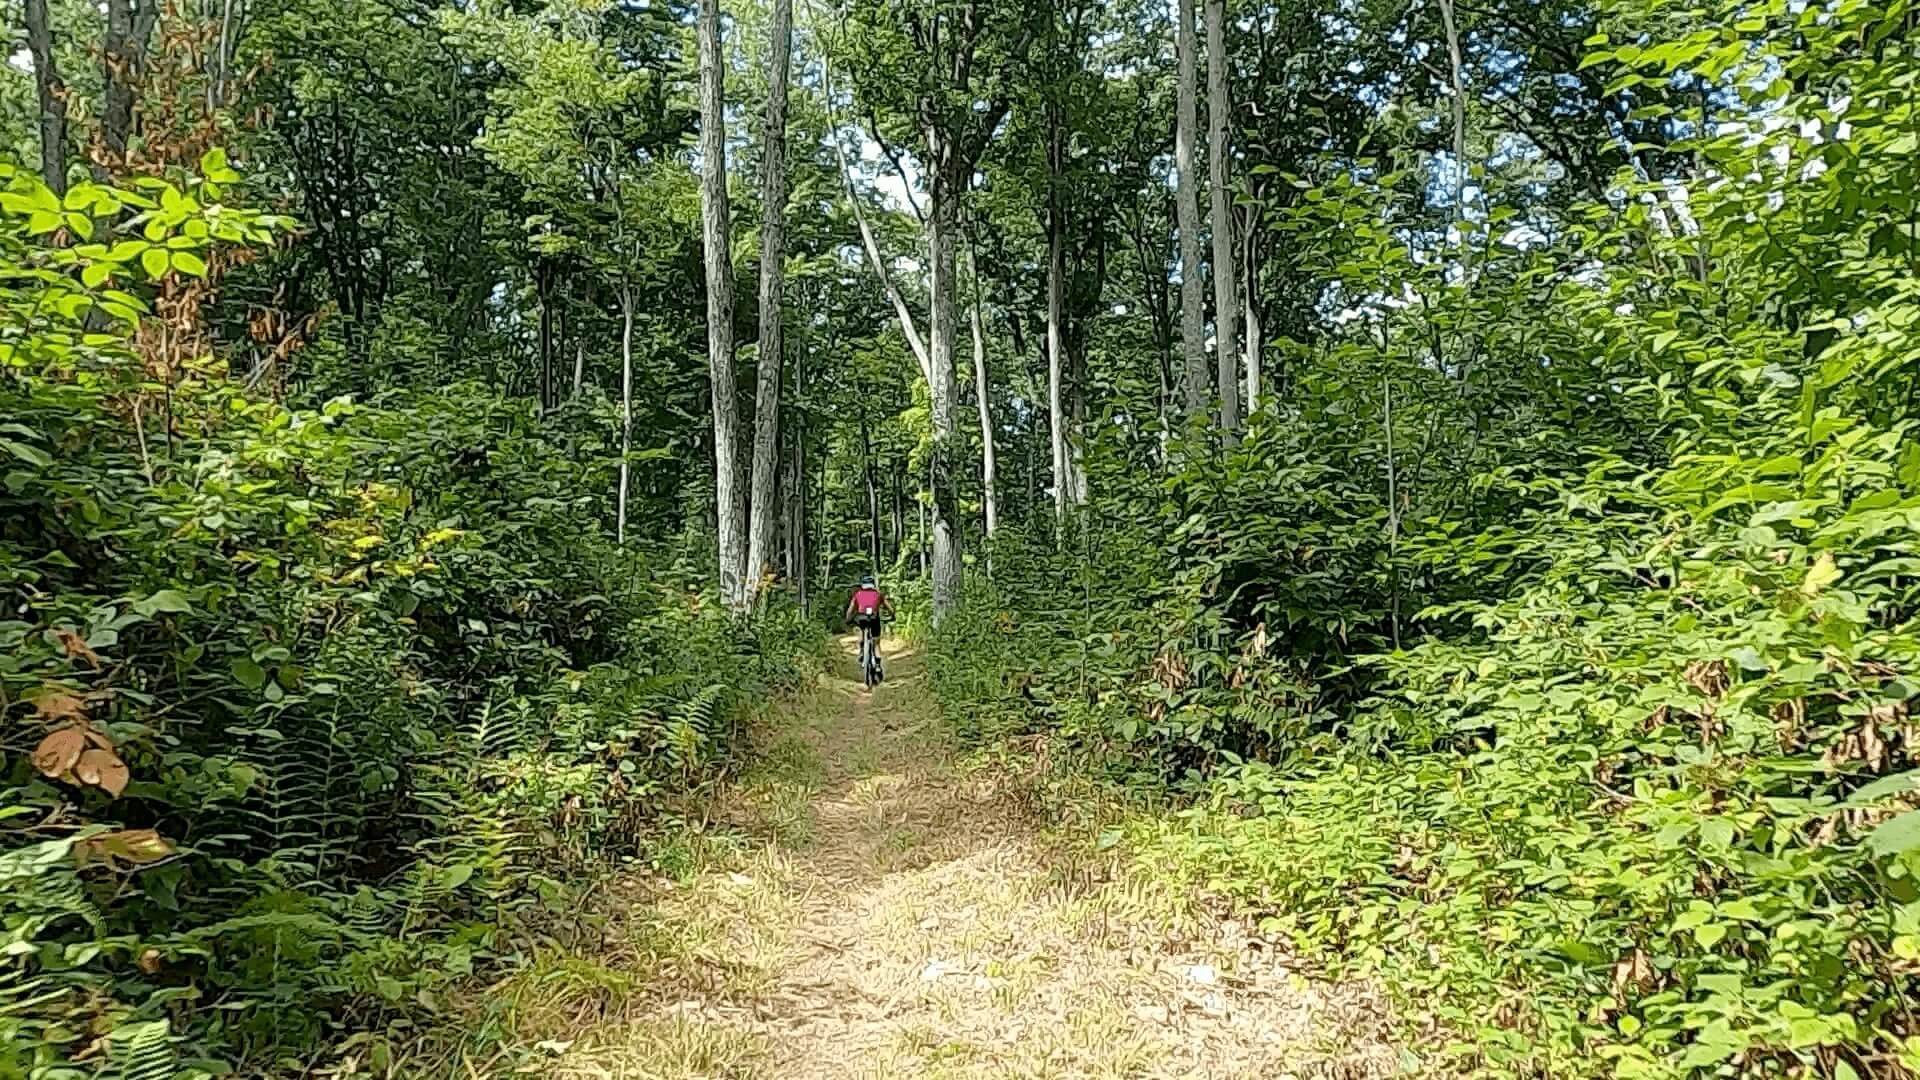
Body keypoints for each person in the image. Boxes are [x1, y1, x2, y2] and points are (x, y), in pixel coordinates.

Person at [844, 575, 893, 677]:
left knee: (862, 630)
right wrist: (892, 615)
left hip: (862, 618)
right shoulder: (878, 594)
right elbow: (889, 607)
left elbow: (850, 609)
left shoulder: (858, 594)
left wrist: (848, 619)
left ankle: (862, 650)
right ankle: (878, 665)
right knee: (876, 643)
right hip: (874, 618)